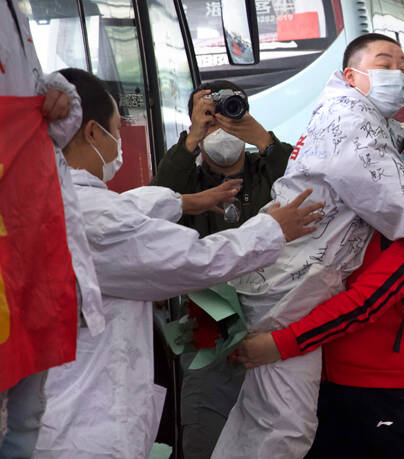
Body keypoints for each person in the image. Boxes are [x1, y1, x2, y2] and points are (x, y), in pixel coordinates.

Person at [33, 68, 323, 459]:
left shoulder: (55, 199)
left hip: (71, 409)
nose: (120, 140)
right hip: (84, 421)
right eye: (117, 129)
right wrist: (272, 229)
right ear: (91, 133)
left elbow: (128, 208)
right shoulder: (96, 217)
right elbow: (194, 260)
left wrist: (184, 202)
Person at [212, 33, 404, 459]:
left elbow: (365, 300)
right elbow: (402, 199)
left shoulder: (371, 125)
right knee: (283, 428)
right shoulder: (353, 125)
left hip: (367, 369)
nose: (399, 73)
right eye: (385, 62)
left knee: (270, 423)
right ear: (352, 75)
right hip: (293, 296)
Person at [150, 81, 293, 458]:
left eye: (229, 114)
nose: (221, 128)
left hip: (278, 325)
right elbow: (155, 206)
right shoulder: (188, 185)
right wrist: (192, 138)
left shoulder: (271, 171)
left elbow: (309, 185)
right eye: (208, 120)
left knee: (279, 437)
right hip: (206, 330)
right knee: (205, 437)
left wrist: (263, 138)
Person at [0, 2, 103, 457]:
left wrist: (57, 98)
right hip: (16, 235)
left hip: (30, 235)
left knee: (27, 415)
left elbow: (45, 131)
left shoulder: (14, 12)